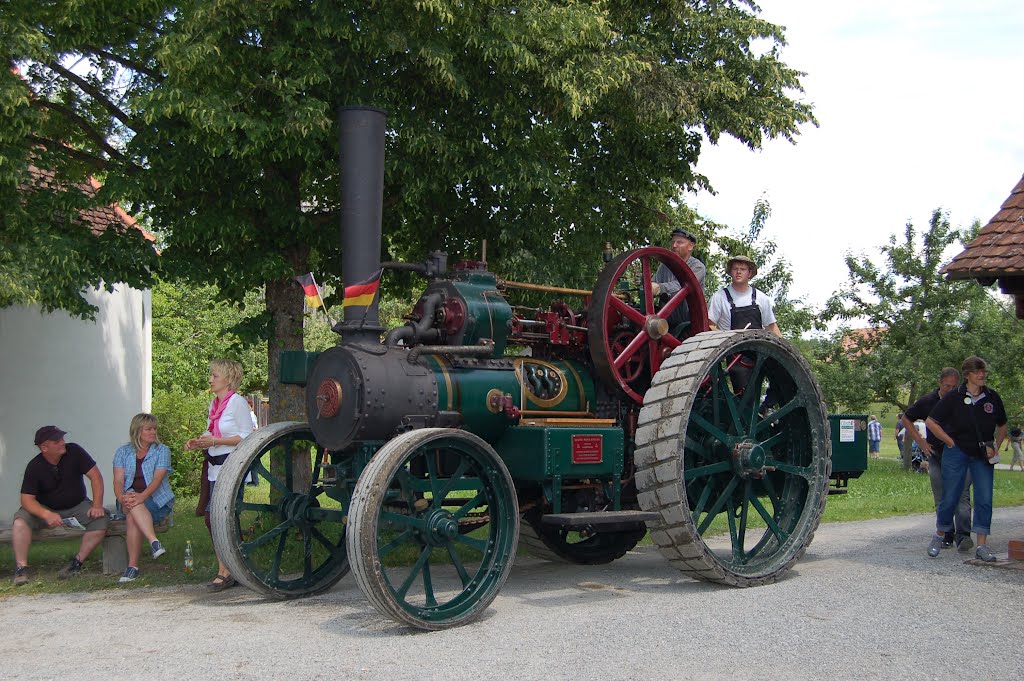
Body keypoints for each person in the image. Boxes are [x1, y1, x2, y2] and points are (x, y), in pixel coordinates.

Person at [924, 357, 1007, 562]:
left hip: (982, 455)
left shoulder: (992, 397)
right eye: (978, 371)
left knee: (984, 498)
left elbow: (1003, 425)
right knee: (951, 496)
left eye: (983, 371)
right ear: (968, 374)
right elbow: (931, 422)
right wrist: (949, 442)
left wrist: (995, 446)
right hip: (957, 452)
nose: (982, 375)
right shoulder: (954, 397)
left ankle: (982, 545)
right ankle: (940, 535)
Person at [185, 359, 254, 591]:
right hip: (214, 468)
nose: (211, 380)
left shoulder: (237, 403)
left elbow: (246, 437)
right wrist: (199, 441)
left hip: (231, 468)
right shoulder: (214, 405)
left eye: (215, 376)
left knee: (223, 518)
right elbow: (211, 431)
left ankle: (230, 570)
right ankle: (224, 568)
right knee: (214, 518)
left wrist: (216, 441)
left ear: (228, 378)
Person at [11, 426, 108, 585]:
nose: (63, 442)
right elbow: (26, 500)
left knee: (101, 520)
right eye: (57, 441)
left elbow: (95, 476)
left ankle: (76, 563)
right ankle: (21, 568)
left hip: (77, 504)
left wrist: (97, 505)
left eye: (62, 438)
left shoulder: (75, 451)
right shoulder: (34, 466)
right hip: (45, 507)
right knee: (20, 521)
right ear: (44, 447)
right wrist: (46, 514)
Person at [903, 368, 972, 550]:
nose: (950, 389)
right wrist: (920, 441)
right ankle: (946, 535)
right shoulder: (928, 401)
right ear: (939, 384)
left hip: (960, 453)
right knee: (941, 496)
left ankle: (963, 536)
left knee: (962, 495)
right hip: (937, 455)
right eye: (946, 385)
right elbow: (906, 418)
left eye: (953, 386)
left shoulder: (964, 400)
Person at [706, 255, 781, 401]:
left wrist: (788, 352)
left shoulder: (761, 298)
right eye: (735, 269)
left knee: (782, 375)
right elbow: (710, 325)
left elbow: (771, 327)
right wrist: (727, 340)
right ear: (730, 272)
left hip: (760, 352)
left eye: (742, 269)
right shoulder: (720, 297)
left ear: (750, 273)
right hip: (736, 356)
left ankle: (768, 408)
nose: (738, 272)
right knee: (745, 397)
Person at [112, 413, 175, 583]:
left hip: (156, 500)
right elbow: (118, 480)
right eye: (148, 429)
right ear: (138, 431)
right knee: (132, 507)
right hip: (129, 498)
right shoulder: (123, 452)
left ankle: (132, 567)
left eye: (154, 429)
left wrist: (141, 497)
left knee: (132, 515)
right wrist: (121, 498)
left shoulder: (162, 450)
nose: (153, 432)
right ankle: (154, 542)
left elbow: (157, 479)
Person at [651, 228, 706, 336]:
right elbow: (652, 285)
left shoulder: (697, 267)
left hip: (690, 325)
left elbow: (683, 286)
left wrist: (659, 288)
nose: (674, 245)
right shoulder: (664, 266)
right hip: (666, 322)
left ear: (690, 246)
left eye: (679, 242)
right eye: (673, 242)